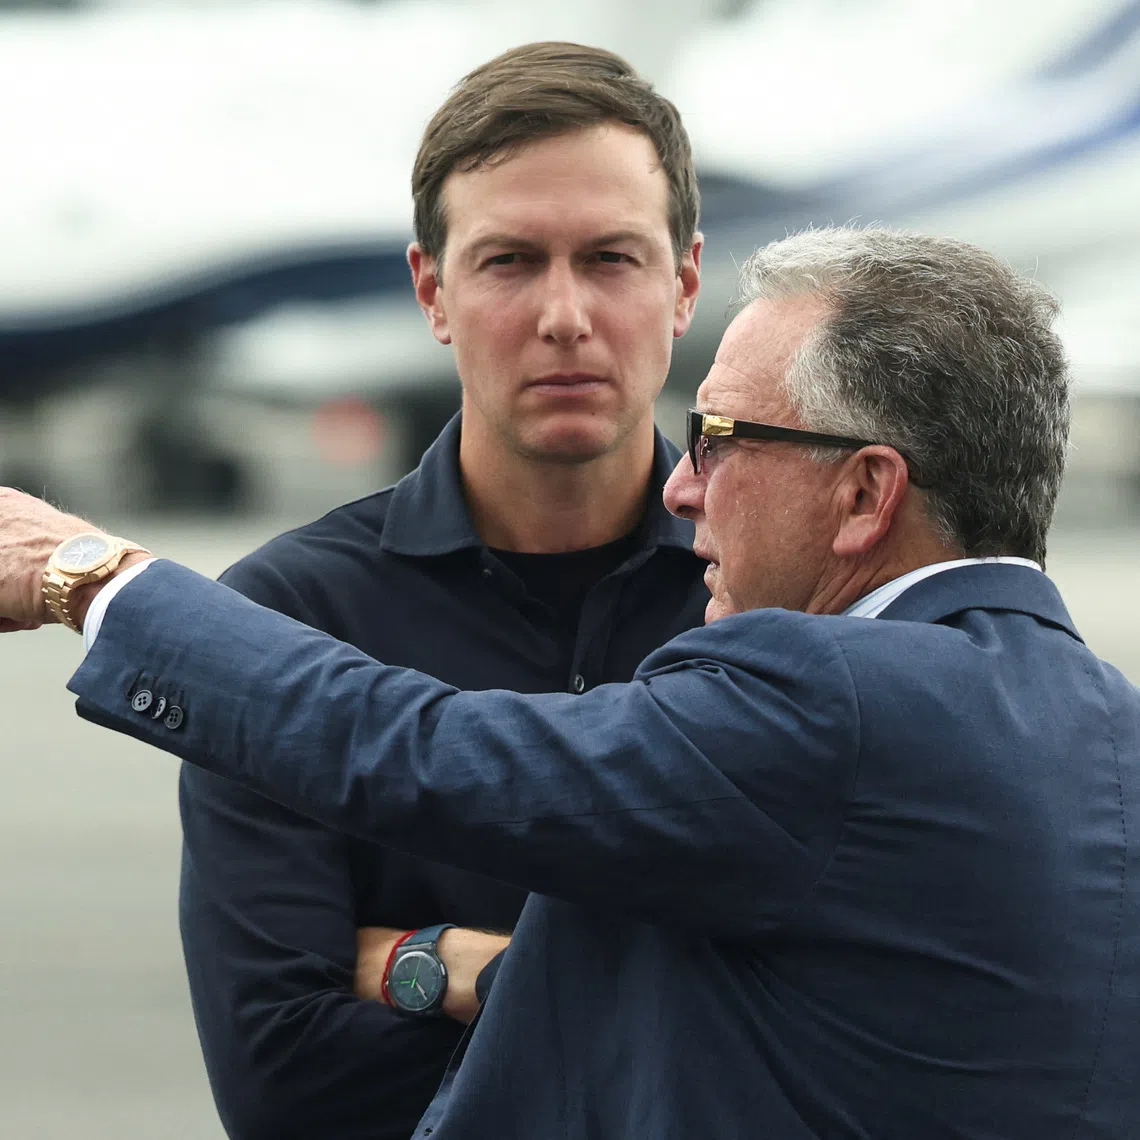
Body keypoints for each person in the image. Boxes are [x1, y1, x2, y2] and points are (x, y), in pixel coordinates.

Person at [2, 224, 1137, 1140]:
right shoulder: (1109, 728)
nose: (685, 486)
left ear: (863, 496)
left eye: (722, 437)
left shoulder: (820, 697)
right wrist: (446, 972)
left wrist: (91, 579)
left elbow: (418, 747)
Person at [173, 41, 707, 1140]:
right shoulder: (283, 617)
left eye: (611, 258)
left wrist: (429, 964)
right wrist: (690, 1034)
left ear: (684, 285)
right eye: (510, 261)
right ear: (433, 291)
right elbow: (288, 1087)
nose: (565, 315)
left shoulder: (780, 594)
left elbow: (871, 1013)